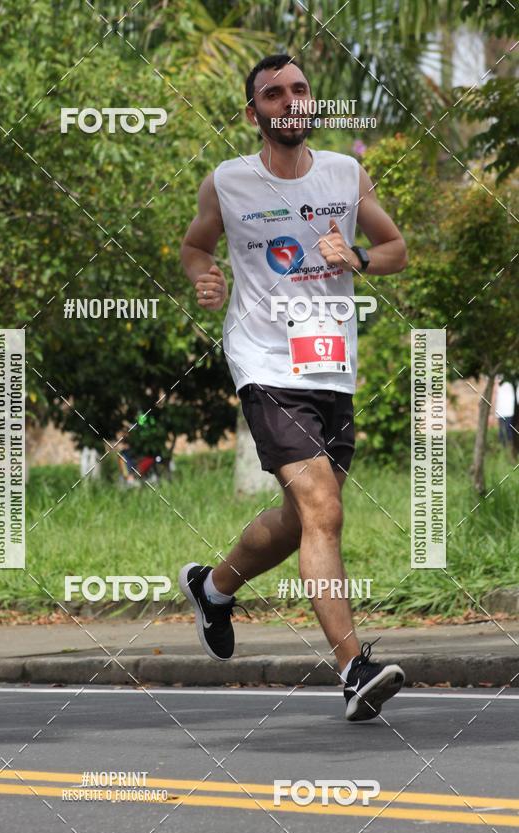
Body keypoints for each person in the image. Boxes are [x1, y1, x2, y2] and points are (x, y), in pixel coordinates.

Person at [179, 54, 408, 722]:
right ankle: (352, 669)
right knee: (322, 506)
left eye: (300, 90)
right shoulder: (226, 183)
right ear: (254, 113)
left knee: (300, 519)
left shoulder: (344, 173)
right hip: (264, 361)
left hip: (331, 363)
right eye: (273, 94)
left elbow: (395, 247)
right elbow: (197, 246)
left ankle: (213, 588)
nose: (289, 101)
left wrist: (360, 258)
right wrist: (204, 276)